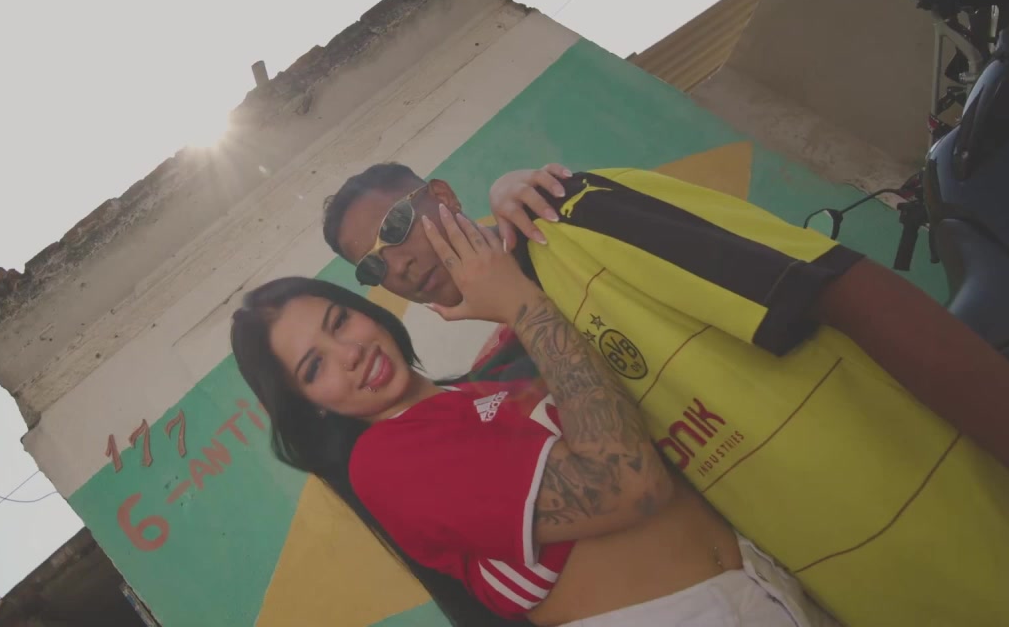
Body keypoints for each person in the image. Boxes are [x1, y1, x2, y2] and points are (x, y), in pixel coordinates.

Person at [320, 162, 1009, 627]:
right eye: (374, 266)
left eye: (395, 228)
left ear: (442, 196)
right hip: (854, 591)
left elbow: (839, 288)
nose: (398, 264)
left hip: (960, 514)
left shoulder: (574, 215)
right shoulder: (508, 371)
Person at [231, 206, 837, 626]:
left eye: (340, 321)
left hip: (764, 583)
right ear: (310, 405)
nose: (350, 353)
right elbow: (628, 485)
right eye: (315, 366)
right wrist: (520, 302)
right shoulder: (383, 463)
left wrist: (514, 202)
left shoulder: (477, 391)